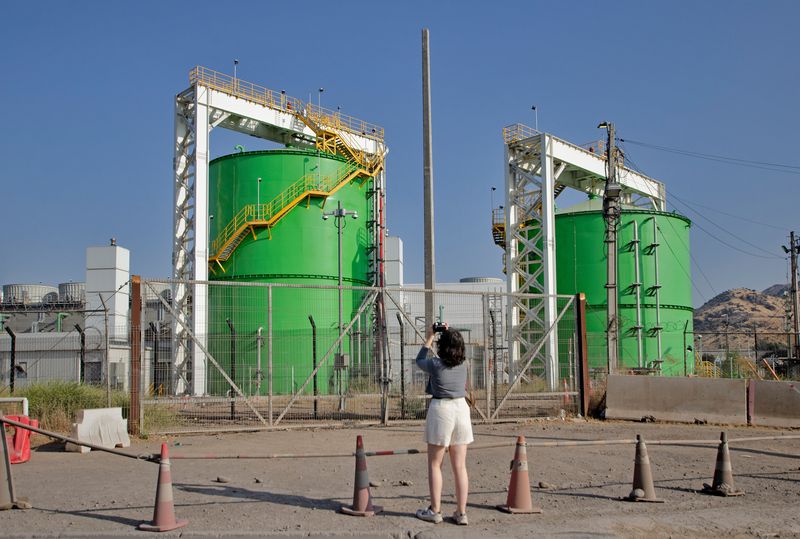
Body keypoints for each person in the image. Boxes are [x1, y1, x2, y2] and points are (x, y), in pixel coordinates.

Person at [414, 325, 473, 525]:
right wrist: (449, 333)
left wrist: (430, 336)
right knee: (460, 466)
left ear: (442, 346)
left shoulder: (435, 365)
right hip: (461, 410)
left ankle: (435, 510)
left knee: (435, 464)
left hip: (441, 410)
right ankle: (461, 512)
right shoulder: (464, 364)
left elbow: (419, 359)